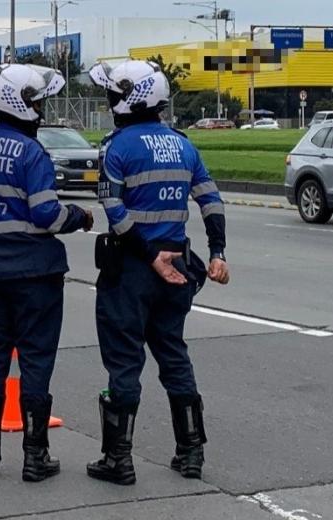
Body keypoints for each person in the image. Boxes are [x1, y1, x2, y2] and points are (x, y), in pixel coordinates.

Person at [0, 64, 93, 482]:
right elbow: (46, 213)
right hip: (37, 276)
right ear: (20, 103)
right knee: (36, 361)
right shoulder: (32, 153)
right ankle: (35, 455)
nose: (41, 109)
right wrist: (79, 216)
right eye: (37, 101)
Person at [85, 59, 230, 486]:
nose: (109, 102)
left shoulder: (117, 147)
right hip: (179, 267)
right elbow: (211, 201)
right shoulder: (184, 146)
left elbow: (113, 209)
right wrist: (218, 251)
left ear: (129, 100)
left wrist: (149, 256)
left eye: (113, 95)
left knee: (125, 362)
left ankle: (119, 459)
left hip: (132, 269)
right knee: (173, 354)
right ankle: (191, 454)